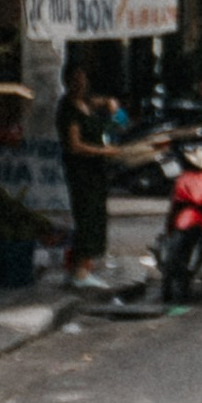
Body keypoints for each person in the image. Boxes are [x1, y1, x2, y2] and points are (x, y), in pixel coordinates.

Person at [60, 66, 126, 274]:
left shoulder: (87, 103)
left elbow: (106, 104)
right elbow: (75, 145)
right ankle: (79, 270)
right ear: (68, 82)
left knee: (97, 217)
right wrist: (103, 151)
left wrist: (111, 104)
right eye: (75, 79)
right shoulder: (68, 109)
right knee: (85, 219)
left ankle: (87, 266)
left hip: (97, 172)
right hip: (81, 172)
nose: (80, 83)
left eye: (83, 78)